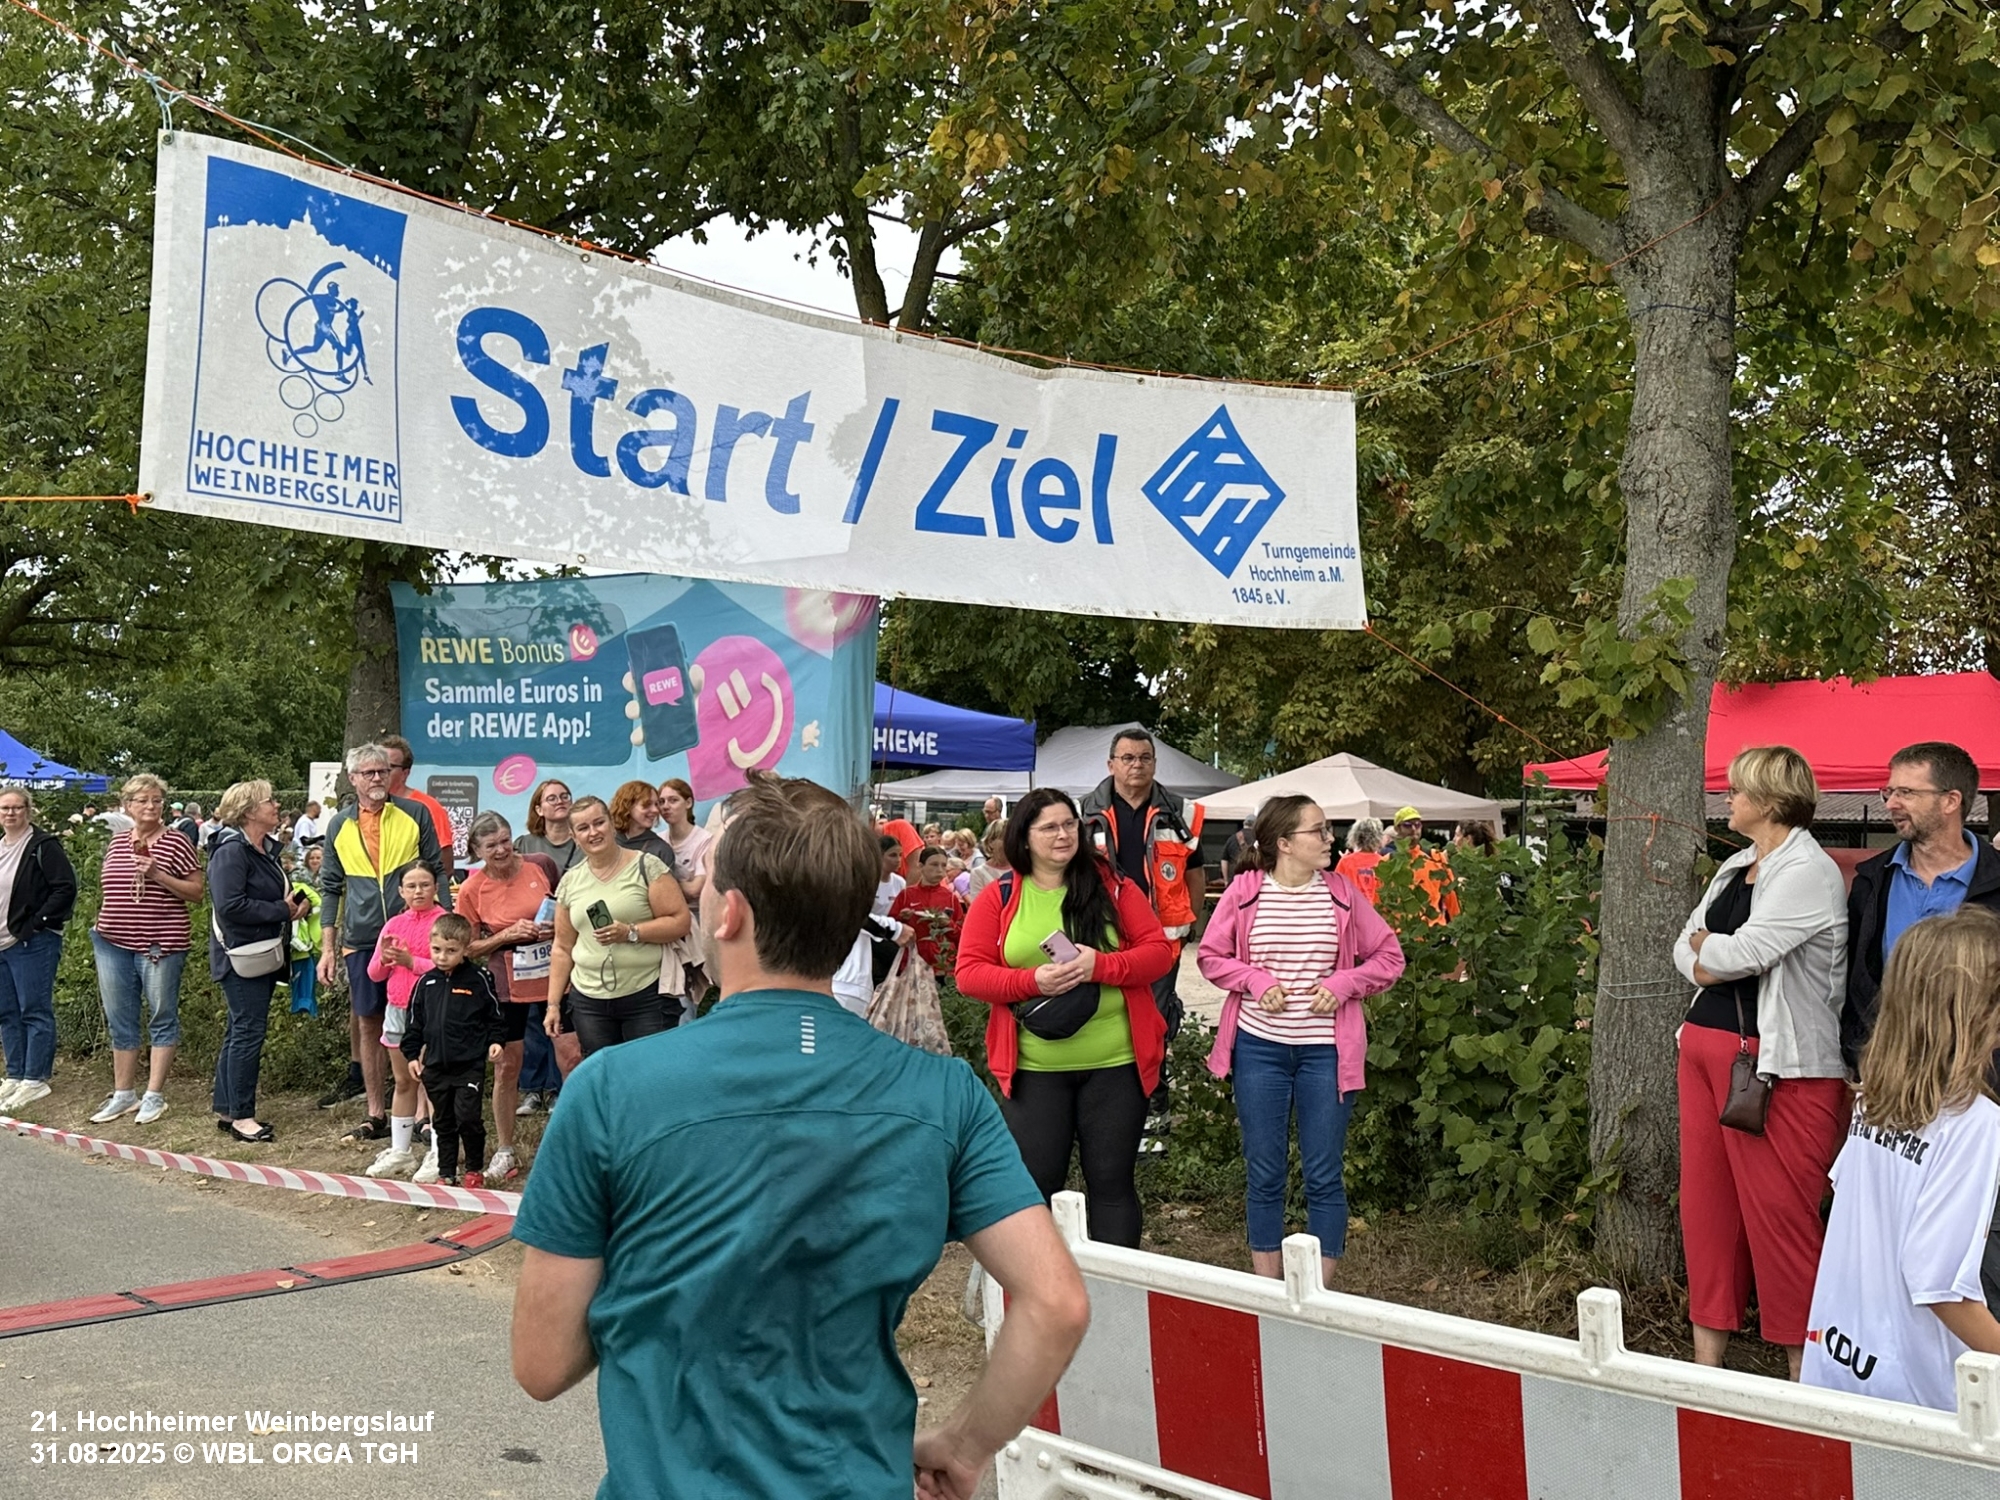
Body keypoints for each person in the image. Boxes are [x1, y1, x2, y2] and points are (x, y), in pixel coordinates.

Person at [510, 774, 1087, 1499]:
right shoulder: (945, 1094)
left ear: (729, 914)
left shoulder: (608, 1090)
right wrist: (965, 1447)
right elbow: (1056, 1303)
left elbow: (542, 1364)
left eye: (707, 880)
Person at [1673, 745, 1850, 1378]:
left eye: (1738, 790)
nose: (1729, 798)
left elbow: (1743, 955)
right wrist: (1707, 957)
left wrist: (1709, 952)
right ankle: (1707, 1365)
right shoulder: (1735, 865)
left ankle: (1806, 1376)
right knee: (1707, 1208)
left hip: (1778, 1068)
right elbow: (1685, 945)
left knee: (1781, 1218)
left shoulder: (1808, 870)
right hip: (1704, 1048)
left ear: (1772, 801)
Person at [1197, 794, 1406, 1284]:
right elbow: (1210, 956)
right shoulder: (1245, 892)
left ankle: (1317, 1294)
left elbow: (1389, 957)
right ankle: (1269, 1291)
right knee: (1264, 1171)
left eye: (1327, 829)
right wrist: (1254, 980)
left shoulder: (1341, 892)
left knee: (1324, 1173)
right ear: (1284, 843)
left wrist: (1344, 983)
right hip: (1258, 1050)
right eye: (1319, 830)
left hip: (1327, 1055)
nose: (1330, 838)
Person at [956, 788, 1176, 1247]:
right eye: (1050, 827)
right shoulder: (999, 895)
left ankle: (1115, 1287)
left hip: (1116, 1063)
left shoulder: (1114, 886)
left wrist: (1102, 966)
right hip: (1034, 1069)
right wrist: (1032, 980)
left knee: (1112, 1184)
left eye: (1070, 824)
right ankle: (1042, 1284)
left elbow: (1158, 953)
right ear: (1024, 837)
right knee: (1034, 1187)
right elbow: (969, 974)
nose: (1063, 835)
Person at [1804, 908, 2000, 1410]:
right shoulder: (1976, 1123)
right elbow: (1940, 1285)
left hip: (1836, 1360)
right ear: (1980, 1009)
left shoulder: (1873, 1099)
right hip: (1919, 1394)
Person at [1078, 728, 1205, 1147]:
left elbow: (1194, 873)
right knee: (1102, 1023)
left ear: (1154, 762)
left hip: (1161, 944)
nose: (1137, 765)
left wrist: (1188, 926)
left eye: (1145, 758)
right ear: (1111, 764)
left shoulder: (1180, 812)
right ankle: (1105, 1121)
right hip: (1104, 939)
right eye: (1128, 758)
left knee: (1153, 1029)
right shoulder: (1084, 811)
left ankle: (1153, 1126)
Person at [316, 743, 448, 1140]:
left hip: (415, 931)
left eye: (382, 771)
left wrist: (443, 925)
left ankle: (423, 1114)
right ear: (353, 778)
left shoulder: (415, 813)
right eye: (369, 773)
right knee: (369, 1020)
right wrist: (327, 947)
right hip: (362, 937)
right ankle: (375, 1113)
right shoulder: (339, 825)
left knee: (422, 1019)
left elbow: (437, 870)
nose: (377, 778)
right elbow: (330, 887)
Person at [1842, 740, 2000, 1070]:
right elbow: (1855, 980)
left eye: (1907, 793)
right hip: (1887, 1071)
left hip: (1979, 1074)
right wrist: (1860, 1054)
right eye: (1889, 792)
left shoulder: (1994, 879)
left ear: (1950, 801)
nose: (1892, 804)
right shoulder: (1872, 881)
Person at [88, 774, 203, 1126]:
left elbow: (197, 892)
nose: (150, 806)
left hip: (159, 944)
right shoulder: (118, 842)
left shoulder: (177, 841)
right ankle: (124, 1093)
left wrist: (158, 875)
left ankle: (154, 1094)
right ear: (128, 806)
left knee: (161, 1015)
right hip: (112, 942)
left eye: (156, 800)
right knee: (120, 1018)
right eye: (142, 800)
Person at [545, 795, 692, 1056]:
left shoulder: (647, 866)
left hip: (647, 994)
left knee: (648, 1071)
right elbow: (562, 947)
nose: (593, 832)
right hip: (589, 1001)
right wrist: (553, 1004)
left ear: (612, 824)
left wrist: (631, 932)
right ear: (574, 837)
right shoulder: (570, 881)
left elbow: (680, 922)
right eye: (583, 828)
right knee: (603, 1072)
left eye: (599, 823)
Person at [455, 811, 555, 1181]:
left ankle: (576, 1141)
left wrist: (555, 927)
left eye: (505, 841)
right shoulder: (472, 889)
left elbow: (565, 906)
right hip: (508, 983)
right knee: (507, 1065)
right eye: (491, 845)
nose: (501, 850)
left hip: (553, 974)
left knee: (571, 1056)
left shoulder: (540, 865)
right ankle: (505, 1149)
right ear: (476, 849)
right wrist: (506, 935)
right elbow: (466, 947)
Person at [209, 780, 309, 1144]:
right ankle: (242, 1116)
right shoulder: (232, 851)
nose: (277, 805)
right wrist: (281, 910)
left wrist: (294, 904)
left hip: (259, 952)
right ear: (250, 811)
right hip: (241, 954)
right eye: (270, 801)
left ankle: (227, 1109)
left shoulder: (261, 849)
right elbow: (230, 905)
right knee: (248, 1032)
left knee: (240, 1029)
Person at [402, 913, 505, 1189]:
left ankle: (473, 1168)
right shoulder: (425, 983)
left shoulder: (479, 979)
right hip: (435, 1066)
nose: (442, 957)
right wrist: (412, 1055)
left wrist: (496, 1041)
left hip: (469, 1065)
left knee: (468, 1118)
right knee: (443, 1120)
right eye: (437, 949)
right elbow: (414, 1024)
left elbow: (494, 1016)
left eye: (451, 951)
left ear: (465, 949)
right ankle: (446, 1171)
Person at [364, 864, 449, 1178]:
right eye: (411, 886)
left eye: (424, 884)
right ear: (400, 891)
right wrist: (386, 959)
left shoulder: (443, 921)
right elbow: (374, 973)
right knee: (403, 1081)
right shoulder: (394, 923)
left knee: (433, 1079)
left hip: (432, 1010)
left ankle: (440, 1152)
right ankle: (400, 1151)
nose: (418, 891)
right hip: (397, 1008)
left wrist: (412, 961)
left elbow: (448, 965)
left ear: (435, 887)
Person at [0, 789, 77, 1113]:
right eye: (5, 808)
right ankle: (15, 1073)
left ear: (28, 810)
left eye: (17, 807)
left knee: (34, 1009)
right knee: (7, 1012)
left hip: (32, 941)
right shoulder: (0, 846)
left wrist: (37, 922)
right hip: (2, 943)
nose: (10, 813)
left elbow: (65, 888)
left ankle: (36, 1077)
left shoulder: (43, 846)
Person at [381, 734, 455, 883]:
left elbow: (445, 863)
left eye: (389, 767)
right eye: (378, 766)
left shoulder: (429, 806)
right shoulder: (368, 807)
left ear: (405, 773)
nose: (381, 773)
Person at [891, 847, 966, 973]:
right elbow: (890, 927)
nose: (940, 870)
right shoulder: (906, 895)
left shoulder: (951, 898)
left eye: (943, 865)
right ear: (921, 866)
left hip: (944, 965)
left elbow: (962, 935)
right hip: (913, 963)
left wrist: (948, 924)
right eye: (934, 864)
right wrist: (901, 918)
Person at [518, 778, 584, 880]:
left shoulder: (585, 840)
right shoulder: (524, 845)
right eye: (552, 799)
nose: (560, 801)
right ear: (539, 810)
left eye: (564, 797)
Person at [657, 778, 711, 900]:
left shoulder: (705, 840)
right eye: (661, 802)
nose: (665, 806)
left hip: (695, 909)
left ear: (688, 803)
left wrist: (660, 885)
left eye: (673, 800)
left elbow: (695, 889)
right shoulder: (658, 840)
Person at [284, 846, 322, 1016]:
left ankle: (304, 1011)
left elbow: (316, 903)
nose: (315, 861)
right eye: (312, 857)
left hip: (306, 946)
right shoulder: (298, 883)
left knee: (305, 982)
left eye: (318, 857)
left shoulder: (305, 887)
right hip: (302, 946)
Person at [1334, 817, 1387, 906]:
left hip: (1353, 909)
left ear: (1356, 837)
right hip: (1377, 910)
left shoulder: (1346, 862)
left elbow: (1336, 890)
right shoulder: (1384, 862)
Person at [965, 823, 1009, 900]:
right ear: (991, 842)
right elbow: (978, 904)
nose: (1010, 842)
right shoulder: (978, 873)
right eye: (1004, 838)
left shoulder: (1022, 870)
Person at [872, 834, 907, 917]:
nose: (898, 860)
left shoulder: (900, 882)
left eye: (900, 855)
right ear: (880, 856)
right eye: (893, 855)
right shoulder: (867, 882)